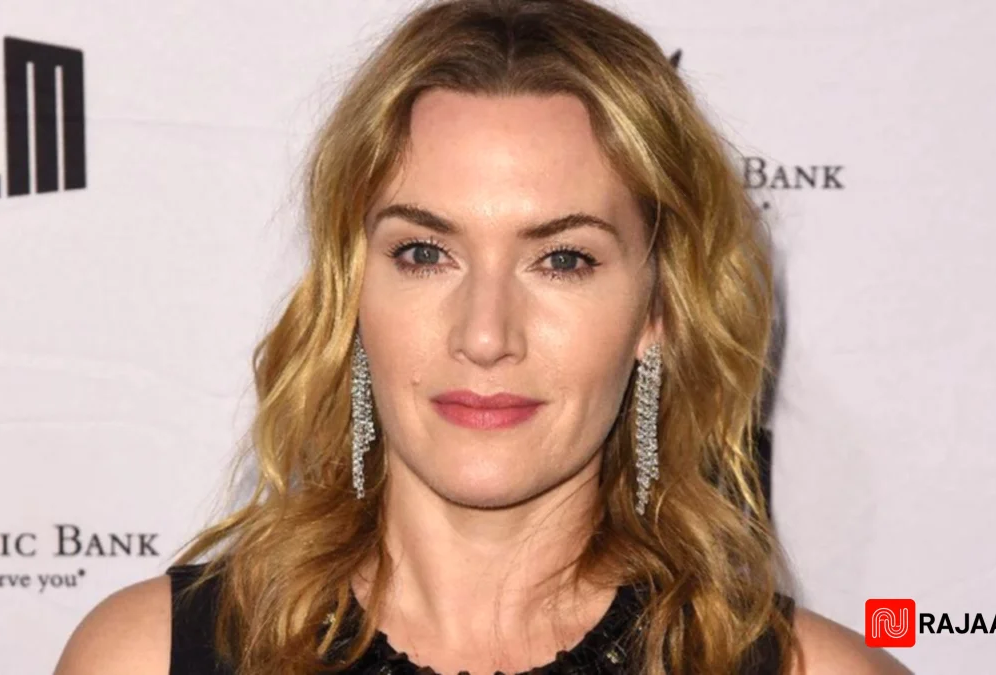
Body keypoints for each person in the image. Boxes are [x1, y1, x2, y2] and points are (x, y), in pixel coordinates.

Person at [54, 1, 912, 673]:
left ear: (659, 310)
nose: (486, 334)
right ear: (352, 292)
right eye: (425, 253)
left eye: (563, 260)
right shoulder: (146, 657)